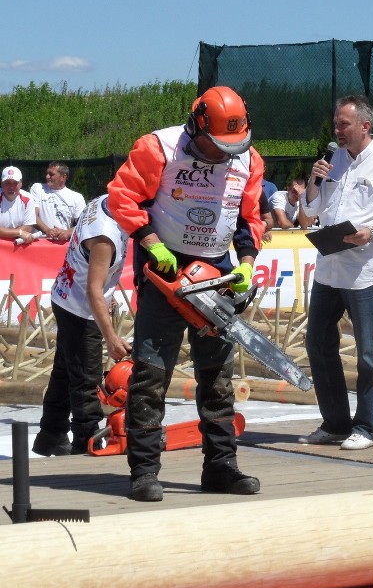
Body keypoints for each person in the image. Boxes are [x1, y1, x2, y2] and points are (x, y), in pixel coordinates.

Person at [106, 85, 265, 501]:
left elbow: (249, 218)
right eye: (215, 145)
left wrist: (246, 262)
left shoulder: (248, 159)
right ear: (197, 127)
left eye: (231, 146)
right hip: (167, 264)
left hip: (218, 265)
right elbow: (123, 195)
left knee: (217, 377)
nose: (223, 154)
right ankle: (144, 470)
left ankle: (221, 466)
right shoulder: (157, 147)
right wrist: (149, 240)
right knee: (151, 373)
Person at [298, 95, 373, 451]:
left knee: (367, 353)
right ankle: (335, 423)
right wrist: (314, 182)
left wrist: (372, 232)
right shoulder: (331, 161)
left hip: (366, 270)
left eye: (344, 124)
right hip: (328, 269)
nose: (337, 130)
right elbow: (308, 215)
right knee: (317, 344)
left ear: (365, 126)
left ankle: (366, 426)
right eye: (336, 124)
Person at [32, 195, 131, 457]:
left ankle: (50, 434)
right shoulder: (105, 238)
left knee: (65, 372)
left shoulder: (102, 201)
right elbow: (93, 291)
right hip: (80, 308)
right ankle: (86, 444)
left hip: (65, 295)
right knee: (86, 381)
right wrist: (110, 337)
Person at [29, 162, 86, 243]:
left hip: (63, 244)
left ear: (63, 177)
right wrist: (48, 231)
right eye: (47, 173)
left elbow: (83, 224)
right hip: (40, 242)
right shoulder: (37, 188)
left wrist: (67, 233)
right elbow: (32, 215)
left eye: (51, 174)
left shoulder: (77, 197)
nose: (47, 176)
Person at [0, 166, 37, 244]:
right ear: (1, 183)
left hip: (18, 243)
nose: (11, 187)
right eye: (7, 183)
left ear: (21, 183)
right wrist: (19, 232)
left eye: (15, 183)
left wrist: (5, 232)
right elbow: (23, 231)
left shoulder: (28, 198)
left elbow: (28, 227)